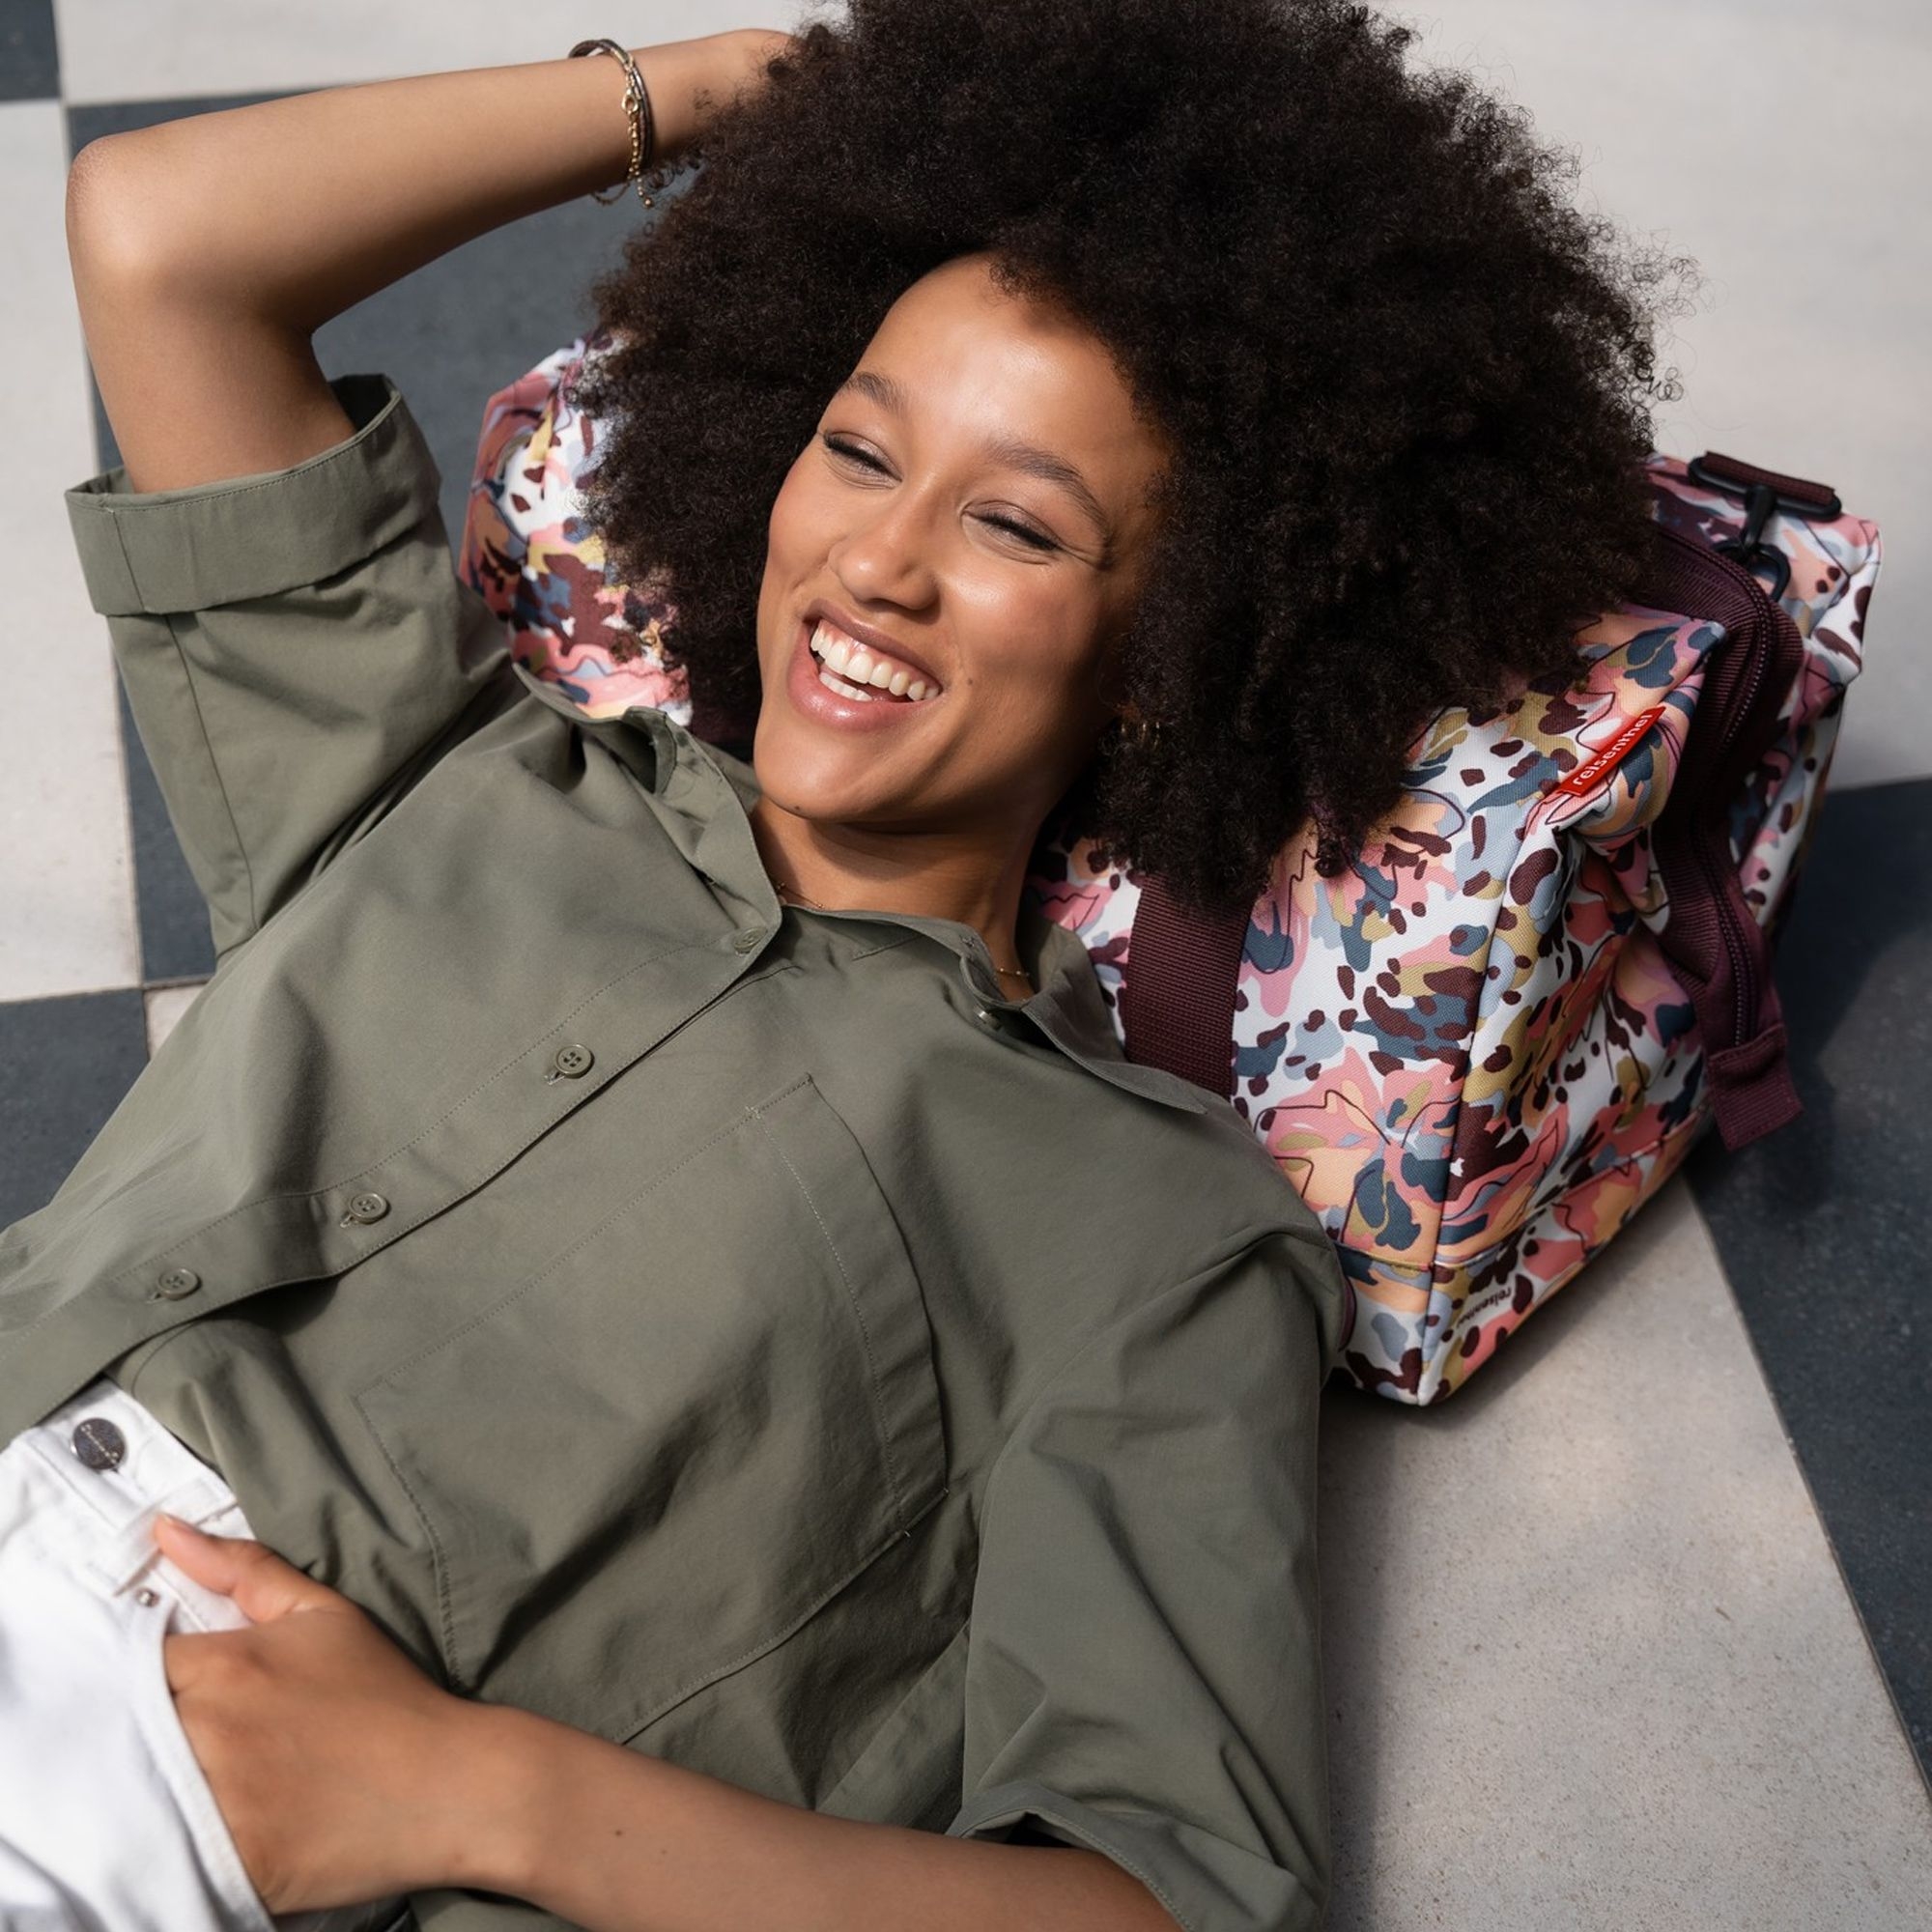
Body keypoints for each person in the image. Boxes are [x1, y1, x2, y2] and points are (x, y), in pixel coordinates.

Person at [2, 4, 1685, 1929]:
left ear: (1169, 658)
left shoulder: (1141, 1221)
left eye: (1013, 524)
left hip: (170, 1806)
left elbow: (1171, 1897)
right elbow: (163, 239)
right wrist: (789, 88)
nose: (878, 562)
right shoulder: (457, 765)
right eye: (858, 448)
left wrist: (478, 1796)